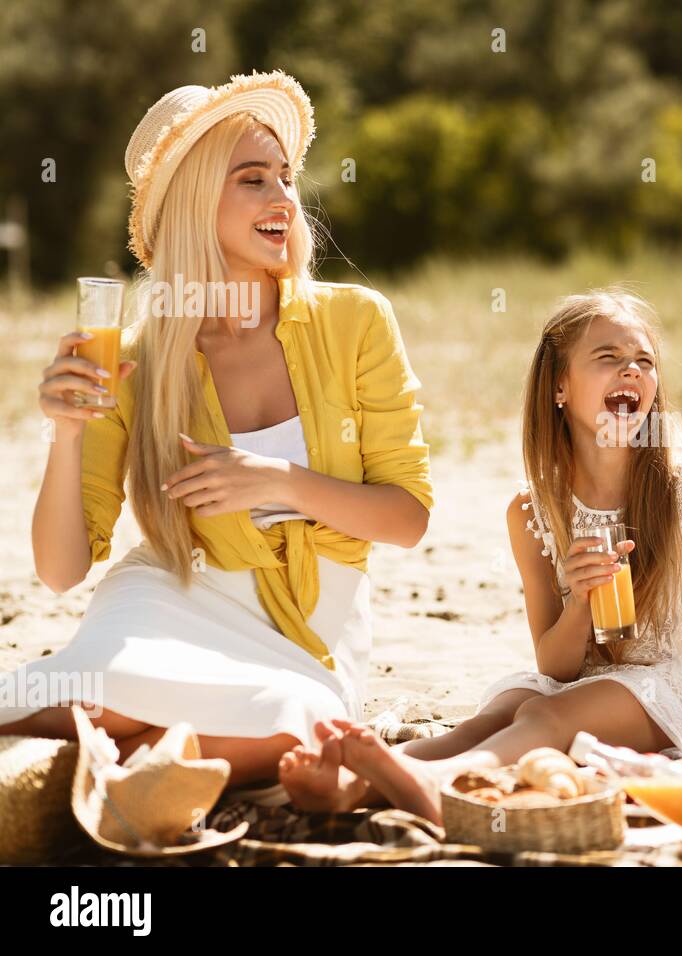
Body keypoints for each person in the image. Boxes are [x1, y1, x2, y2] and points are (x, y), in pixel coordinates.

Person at [0, 72, 433, 793]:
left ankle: (80, 771)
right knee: (95, 691)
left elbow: (407, 519)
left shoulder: (356, 320)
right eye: (253, 179)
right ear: (196, 202)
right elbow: (62, 570)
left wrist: (276, 481)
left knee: (294, 727)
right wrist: (66, 433)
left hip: (306, 629)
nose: (284, 198)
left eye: (286, 178)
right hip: (171, 595)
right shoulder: (138, 356)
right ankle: (105, 765)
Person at [279, 288, 682, 822]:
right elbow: (555, 663)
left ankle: (430, 785)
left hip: (669, 693)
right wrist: (581, 604)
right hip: (580, 685)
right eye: (609, 358)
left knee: (542, 713)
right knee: (501, 713)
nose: (632, 372)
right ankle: (357, 783)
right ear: (559, 387)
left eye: (644, 361)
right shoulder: (533, 508)